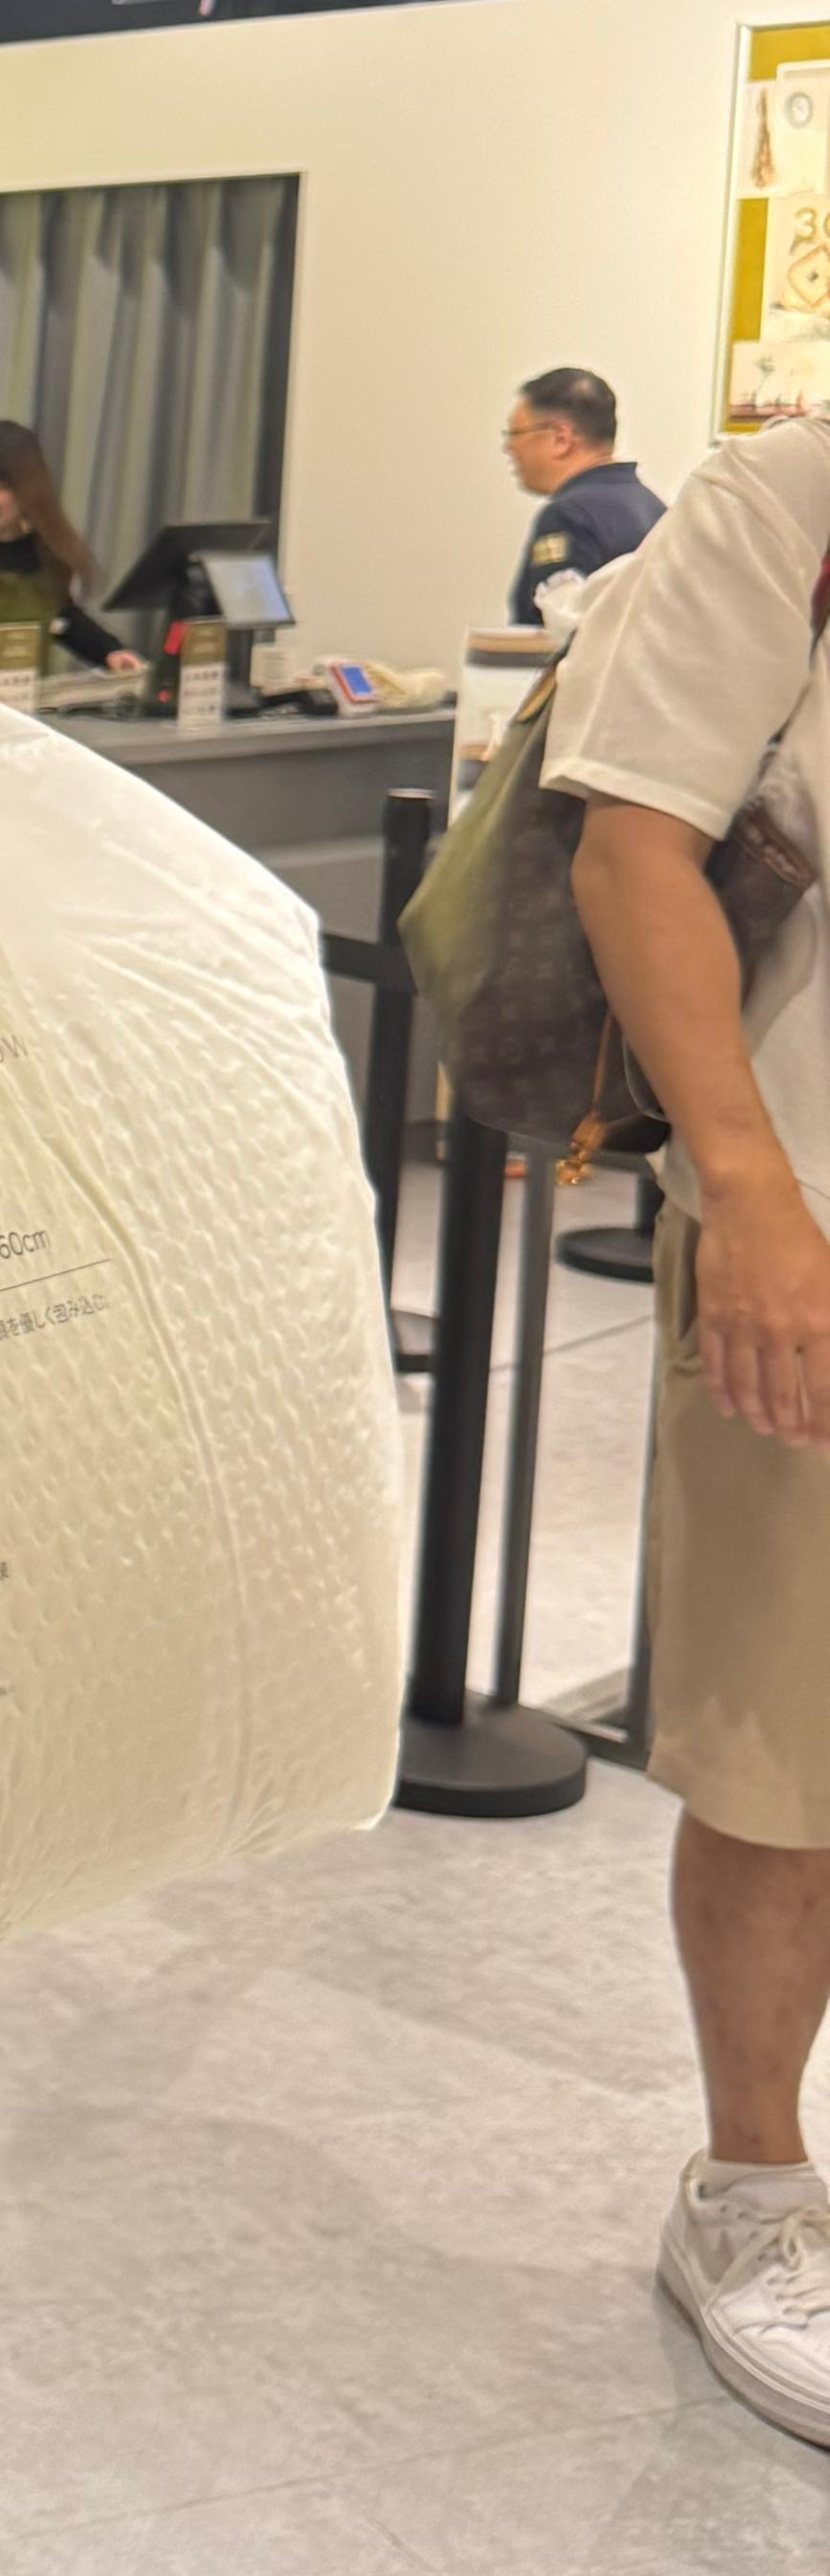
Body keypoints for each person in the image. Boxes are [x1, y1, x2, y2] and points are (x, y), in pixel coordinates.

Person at [554, 413, 830, 2439]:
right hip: (815, 1214)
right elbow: (633, 841)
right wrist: (745, 1192)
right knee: (787, 1744)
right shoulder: (792, 499)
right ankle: (752, 2185)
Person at [0, 417, 144, 682]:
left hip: (27, 700)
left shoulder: (44, 545)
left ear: (29, 490)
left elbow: (61, 619)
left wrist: (110, 651)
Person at [505, 364, 661, 625]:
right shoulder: (654, 507)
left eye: (515, 434)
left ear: (561, 438)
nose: (510, 447)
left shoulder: (569, 516)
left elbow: (556, 632)